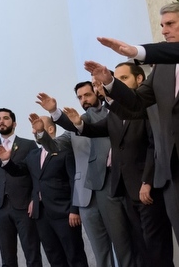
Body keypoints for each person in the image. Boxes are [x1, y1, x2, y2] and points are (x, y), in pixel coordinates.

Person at [50, 65, 172, 265]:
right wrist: (61, 116)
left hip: (146, 186)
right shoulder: (113, 114)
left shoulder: (146, 108)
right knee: (139, 242)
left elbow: (153, 146)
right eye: (119, 79)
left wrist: (147, 181)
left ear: (140, 79)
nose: (120, 83)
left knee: (155, 243)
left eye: (124, 78)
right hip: (124, 189)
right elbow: (89, 129)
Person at [87, 1, 179, 238]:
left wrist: (134, 51)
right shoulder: (163, 69)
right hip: (173, 174)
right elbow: (137, 104)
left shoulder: (164, 57)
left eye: (170, 24)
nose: (164, 30)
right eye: (161, 25)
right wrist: (109, 82)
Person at [36, 84, 135, 267]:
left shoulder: (108, 115)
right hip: (85, 196)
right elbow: (54, 148)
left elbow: (92, 125)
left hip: (110, 188)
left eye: (87, 95)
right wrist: (42, 133)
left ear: (97, 94)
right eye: (80, 97)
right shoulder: (75, 123)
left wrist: (59, 114)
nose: (84, 100)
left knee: (123, 246)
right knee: (100, 251)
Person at [0, 115, 88, 267]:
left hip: (64, 214)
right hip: (42, 217)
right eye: (33, 128)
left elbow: (74, 182)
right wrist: (6, 160)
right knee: (54, 257)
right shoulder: (33, 155)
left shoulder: (65, 152)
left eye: (38, 126)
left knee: (75, 257)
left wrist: (74, 210)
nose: (34, 131)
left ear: (50, 129)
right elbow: (19, 171)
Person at [0, 109, 42, 267]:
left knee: (32, 253)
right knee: (7, 257)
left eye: (6, 118)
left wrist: (35, 199)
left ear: (14, 123)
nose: (1, 121)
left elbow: (37, 174)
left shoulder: (28, 145)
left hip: (24, 206)